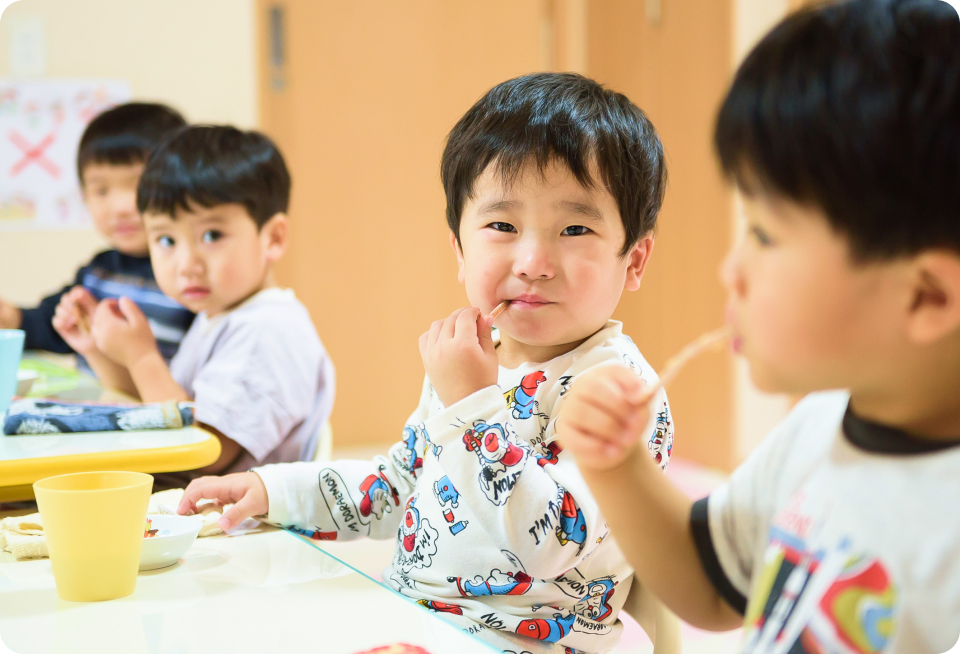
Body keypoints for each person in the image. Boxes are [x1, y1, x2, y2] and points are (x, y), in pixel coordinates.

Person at [177, 73, 672, 654]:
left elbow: (549, 544)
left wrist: (472, 404)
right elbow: (398, 485)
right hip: (418, 626)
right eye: (502, 226)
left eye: (575, 228)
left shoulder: (618, 391)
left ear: (633, 260)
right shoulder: (474, 358)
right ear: (461, 251)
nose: (534, 261)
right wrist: (272, 491)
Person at [558, 2, 960, 653]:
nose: (731, 269)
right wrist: (619, 468)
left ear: (926, 296)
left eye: (767, 236)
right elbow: (716, 589)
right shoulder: (816, 428)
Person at [55, 125, 336, 477]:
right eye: (166, 240)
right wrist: (99, 350)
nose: (187, 265)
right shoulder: (220, 315)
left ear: (273, 237)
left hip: (240, 526)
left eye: (211, 235)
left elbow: (202, 451)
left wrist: (143, 357)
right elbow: (158, 406)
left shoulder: (267, 330)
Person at [0, 103, 193, 363]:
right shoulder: (99, 271)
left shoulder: (191, 275)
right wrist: (12, 318)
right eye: (101, 191)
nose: (121, 208)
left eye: (140, 186)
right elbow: (52, 326)